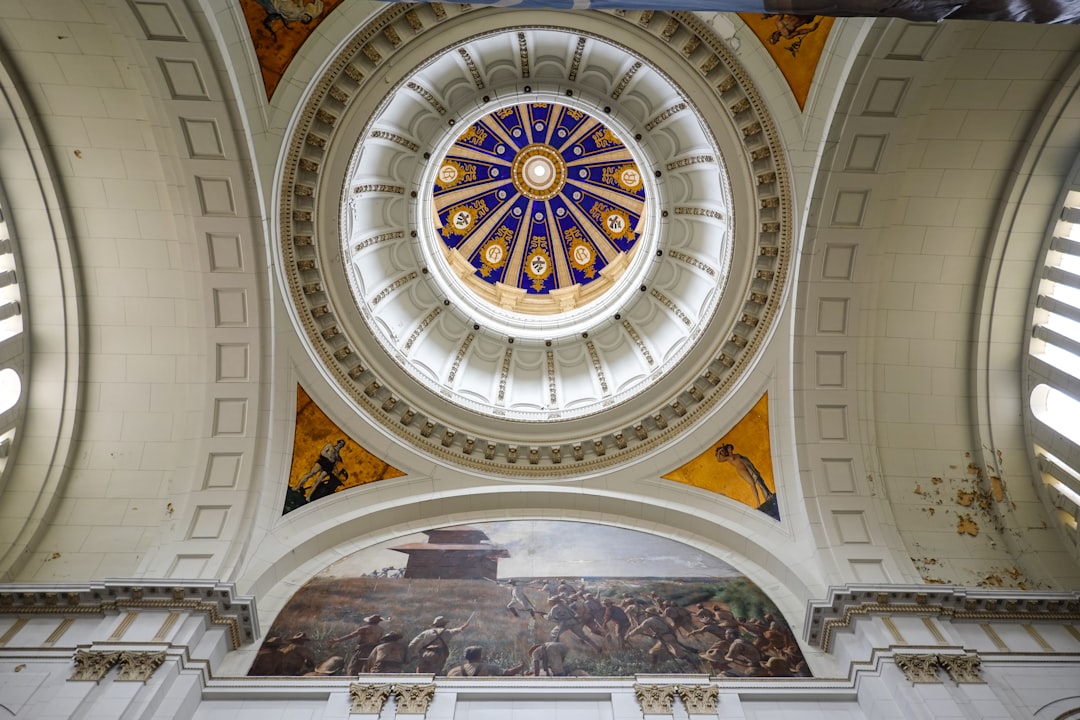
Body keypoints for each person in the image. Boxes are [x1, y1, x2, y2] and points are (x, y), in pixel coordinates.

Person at [626, 607, 700, 671]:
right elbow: (668, 628)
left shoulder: (649, 620)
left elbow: (640, 629)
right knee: (654, 652)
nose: (646, 614)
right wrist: (657, 634)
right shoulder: (660, 619)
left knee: (679, 654)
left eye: (647, 613)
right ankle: (653, 668)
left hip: (665, 640)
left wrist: (629, 635)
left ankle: (695, 668)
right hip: (669, 638)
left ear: (650, 614)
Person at [446, 646, 524, 677]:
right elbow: (508, 673)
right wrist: (521, 666)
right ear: (479, 656)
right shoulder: (488, 668)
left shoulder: (453, 671)